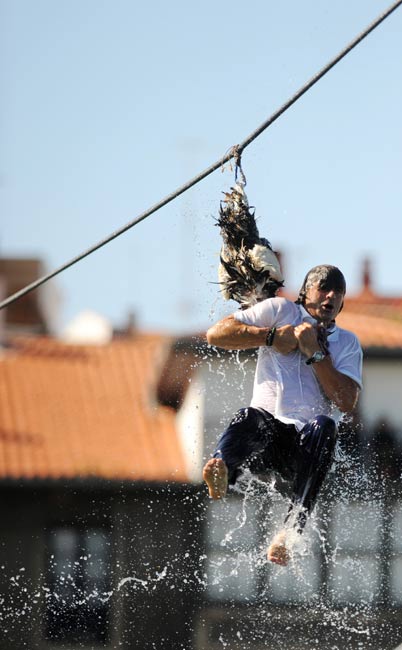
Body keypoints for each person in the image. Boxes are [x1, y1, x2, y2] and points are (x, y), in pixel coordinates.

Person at [203, 264, 363, 566]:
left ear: (342, 302)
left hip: (304, 451)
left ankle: (289, 532)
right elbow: (216, 334)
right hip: (264, 442)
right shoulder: (279, 310)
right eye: (323, 288)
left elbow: (346, 401)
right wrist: (271, 337)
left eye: (338, 292)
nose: (331, 296)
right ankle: (222, 467)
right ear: (305, 292)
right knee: (250, 415)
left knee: (325, 425)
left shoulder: (347, 343)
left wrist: (315, 353)